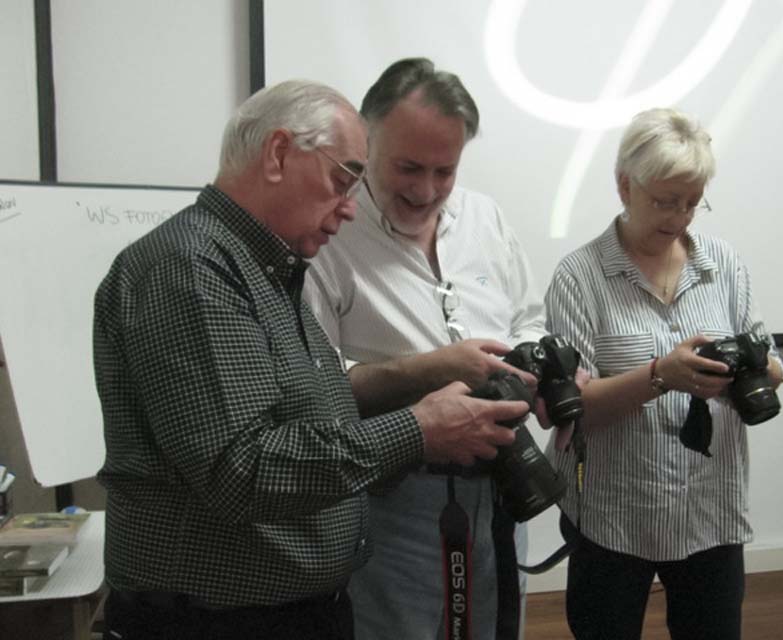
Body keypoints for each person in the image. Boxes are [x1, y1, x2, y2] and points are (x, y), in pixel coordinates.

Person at [92, 79, 529, 640]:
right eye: (342, 180)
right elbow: (243, 471)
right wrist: (419, 429)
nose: (349, 208)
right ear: (278, 154)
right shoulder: (191, 269)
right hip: (217, 622)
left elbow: (314, 420)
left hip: (287, 611)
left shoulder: (267, 269)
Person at [303, 58, 548, 640]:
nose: (426, 190)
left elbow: (529, 319)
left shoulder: (485, 217)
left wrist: (533, 363)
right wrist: (432, 370)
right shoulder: (328, 232)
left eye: (446, 170)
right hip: (390, 498)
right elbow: (316, 384)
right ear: (365, 141)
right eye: (408, 167)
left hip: (501, 486)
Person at [544, 107, 783, 640]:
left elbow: (772, 361)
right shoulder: (579, 277)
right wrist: (660, 375)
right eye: (664, 201)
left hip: (710, 508)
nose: (679, 218)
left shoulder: (723, 265)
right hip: (612, 512)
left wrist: (753, 368)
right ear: (624, 185)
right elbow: (572, 410)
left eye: (692, 203)